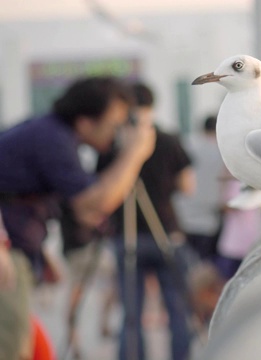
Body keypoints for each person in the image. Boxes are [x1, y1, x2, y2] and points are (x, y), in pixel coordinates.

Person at [0, 76, 156, 360]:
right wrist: (134, 153)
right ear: (85, 121)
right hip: (7, 252)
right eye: (114, 124)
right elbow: (92, 207)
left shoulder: (48, 132)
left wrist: (41, 255)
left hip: (18, 247)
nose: (117, 133)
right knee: (10, 346)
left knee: (19, 342)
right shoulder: (52, 139)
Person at [97, 82, 195, 360]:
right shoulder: (168, 140)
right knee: (177, 308)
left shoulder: (113, 145)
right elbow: (188, 186)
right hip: (166, 232)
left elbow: (101, 191)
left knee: (131, 313)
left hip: (127, 237)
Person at [174, 115, 226, 265]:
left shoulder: (187, 146)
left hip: (184, 218)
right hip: (210, 220)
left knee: (185, 268)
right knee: (206, 268)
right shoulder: (223, 153)